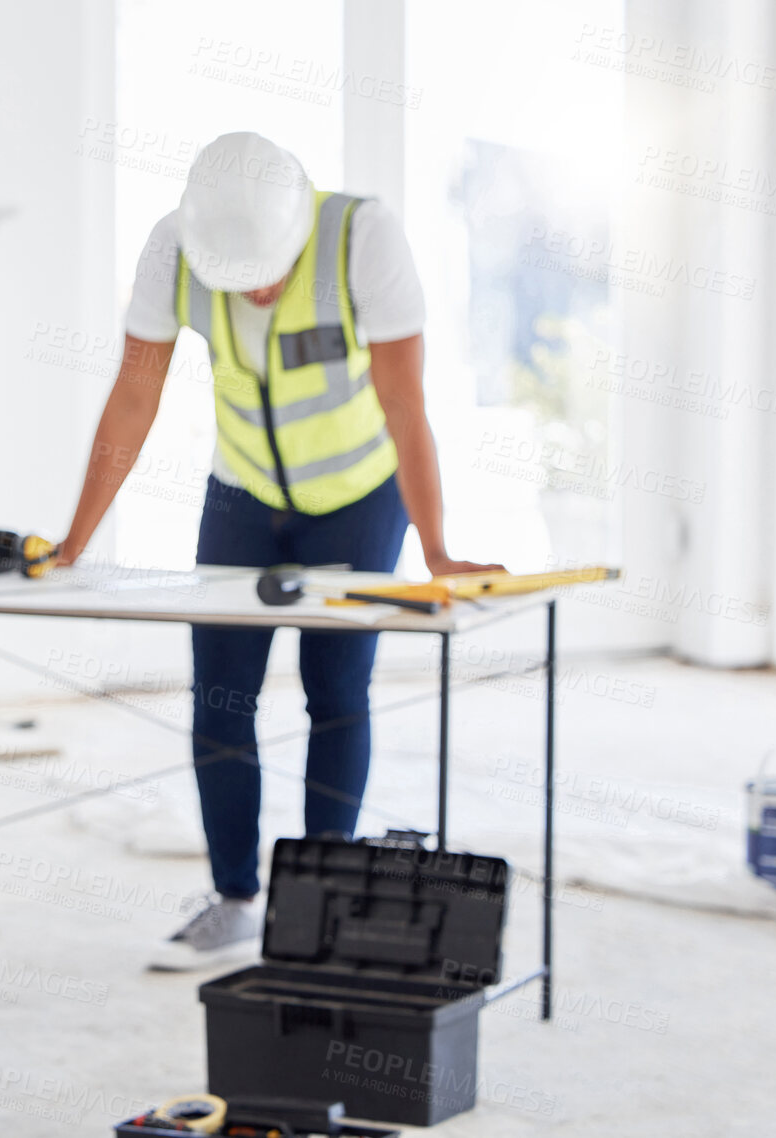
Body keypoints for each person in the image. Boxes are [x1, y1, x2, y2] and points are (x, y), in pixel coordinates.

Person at [56, 132, 501, 972]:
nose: (255, 289)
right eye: (239, 279)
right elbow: (133, 396)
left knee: (336, 690)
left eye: (268, 271)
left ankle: (321, 899)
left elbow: (404, 403)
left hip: (358, 501)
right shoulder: (173, 247)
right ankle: (233, 898)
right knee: (220, 699)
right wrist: (75, 540)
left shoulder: (362, 238)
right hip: (243, 495)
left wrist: (436, 549)